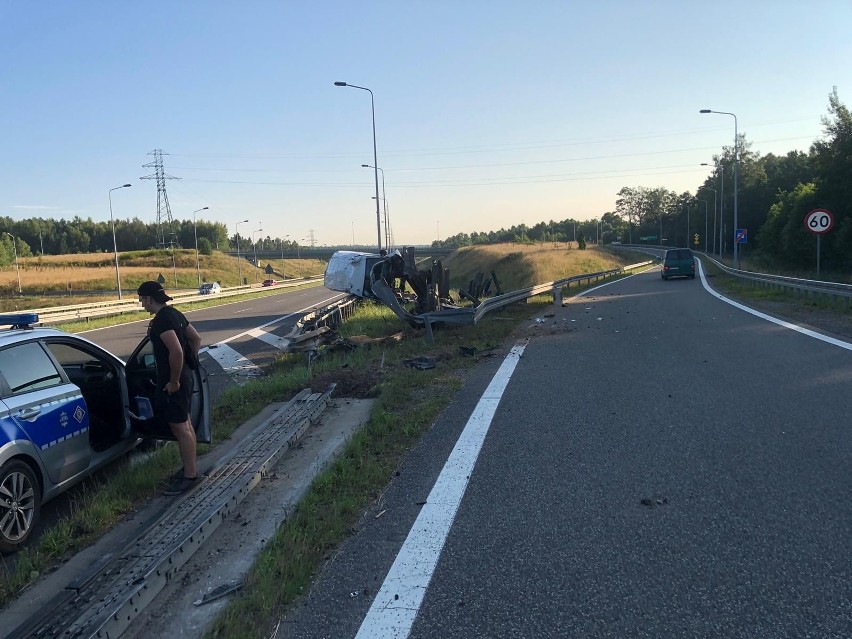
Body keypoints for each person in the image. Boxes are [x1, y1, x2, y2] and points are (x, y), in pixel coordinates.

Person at [136, 281, 203, 495]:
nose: (141, 304)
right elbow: (195, 338)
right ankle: (189, 469)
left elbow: (176, 351)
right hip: (186, 376)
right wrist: (190, 364)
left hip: (175, 382)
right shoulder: (174, 313)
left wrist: (174, 380)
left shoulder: (161, 321)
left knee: (179, 428)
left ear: (149, 299)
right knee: (186, 424)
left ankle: (190, 477)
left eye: (141, 299)